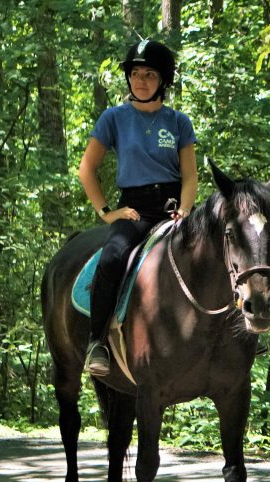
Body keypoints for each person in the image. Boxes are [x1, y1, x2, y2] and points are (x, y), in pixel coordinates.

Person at [79, 39, 197, 377]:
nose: (139, 80)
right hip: (135, 210)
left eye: (148, 73)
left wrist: (186, 210)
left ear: (163, 80)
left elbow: (190, 177)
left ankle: (233, 335)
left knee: (214, 252)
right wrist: (106, 212)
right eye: (134, 73)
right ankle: (97, 341)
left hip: (175, 206)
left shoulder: (178, 122)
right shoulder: (113, 118)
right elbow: (87, 169)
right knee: (113, 258)